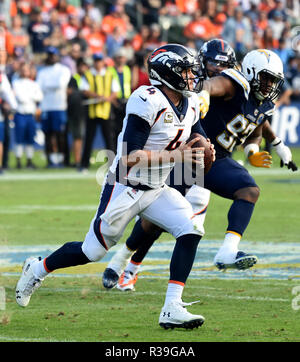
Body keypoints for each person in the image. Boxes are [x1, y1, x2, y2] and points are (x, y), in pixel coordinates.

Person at [15, 43, 213, 330]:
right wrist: (179, 156)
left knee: (191, 229)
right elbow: (131, 156)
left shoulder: (190, 102)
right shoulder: (147, 98)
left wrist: (206, 151)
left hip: (157, 189)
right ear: (166, 72)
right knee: (91, 252)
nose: (191, 77)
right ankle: (37, 268)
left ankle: (172, 307)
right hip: (126, 185)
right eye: (184, 71)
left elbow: (198, 140)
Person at [103, 40, 298, 292]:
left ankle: (227, 252)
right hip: (188, 156)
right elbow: (209, 85)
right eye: (266, 79)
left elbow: (257, 127)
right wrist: (204, 93)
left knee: (246, 192)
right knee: (154, 223)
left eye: (274, 81)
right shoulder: (232, 83)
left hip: (215, 159)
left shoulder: (262, 102)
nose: (270, 86)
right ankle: (125, 263)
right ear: (250, 72)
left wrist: (253, 151)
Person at [79, 52, 119, 171]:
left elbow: (115, 92)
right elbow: (84, 90)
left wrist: (107, 98)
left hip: (105, 111)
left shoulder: (109, 74)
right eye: (96, 61)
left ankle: (112, 165)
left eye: (99, 60)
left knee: (109, 139)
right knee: (89, 139)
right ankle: (84, 165)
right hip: (92, 112)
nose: (98, 63)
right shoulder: (88, 75)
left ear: (103, 62)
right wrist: (98, 96)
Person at [36, 46, 71, 168]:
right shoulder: (43, 71)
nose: (51, 57)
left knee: (60, 134)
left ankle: (61, 159)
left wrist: (47, 86)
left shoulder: (63, 70)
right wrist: (52, 86)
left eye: (53, 55)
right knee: (48, 134)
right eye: (50, 55)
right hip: (46, 106)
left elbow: (61, 84)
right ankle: (51, 160)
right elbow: (38, 87)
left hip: (59, 106)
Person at [12, 62, 43, 169]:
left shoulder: (34, 84)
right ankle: (18, 161)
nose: (25, 72)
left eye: (27, 70)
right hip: (20, 114)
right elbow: (20, 98)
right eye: (23, 69)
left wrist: (29, 97)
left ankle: (29, 160)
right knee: (19, 139)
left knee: (30, 138)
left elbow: (39, 96)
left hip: (30, 115)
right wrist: (31, 96)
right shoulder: (16, 83)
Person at [108, 47, 132, 151]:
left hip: (126, 100)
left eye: (122, 58)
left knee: (126, 128)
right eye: (119, 57)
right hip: (115, 101)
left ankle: (124, 151)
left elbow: (131, 83)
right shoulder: (110, 70)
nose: (121, 60)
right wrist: (113, 101)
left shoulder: (127, 69)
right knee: (115, 129)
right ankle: (115, 152)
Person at [67, 57, 88, 169]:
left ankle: (77, 158)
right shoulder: (74, 78)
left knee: (80, 137)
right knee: (78, 137)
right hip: (76, 112)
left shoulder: (87, 77)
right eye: (83, 65)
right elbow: (69, 92)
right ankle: (77, 160)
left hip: (83, 111)